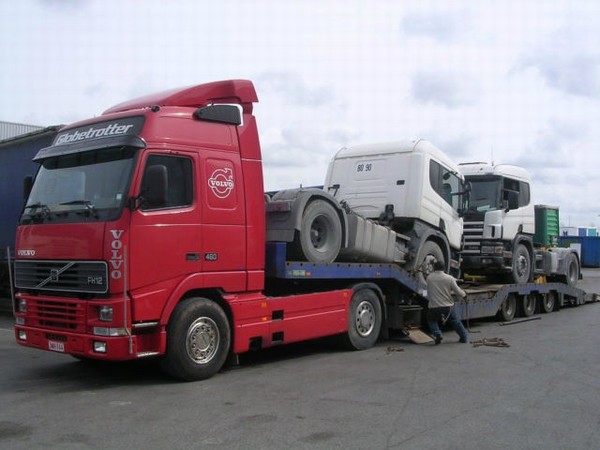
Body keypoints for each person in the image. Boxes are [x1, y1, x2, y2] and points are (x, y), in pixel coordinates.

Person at [426, 260, 469, 345]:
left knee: (431, 320)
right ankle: (464, 337)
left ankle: (437, 334)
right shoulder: (449, 278)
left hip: (434, 306)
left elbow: (428, 289)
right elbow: (457, 291)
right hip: (447, 307)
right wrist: (464, 295)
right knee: (455, 321)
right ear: (444, 268)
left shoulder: (429, 278)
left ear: (434, 268)